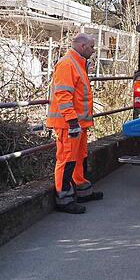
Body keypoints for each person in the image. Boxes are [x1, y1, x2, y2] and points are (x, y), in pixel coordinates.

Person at [46, 33, 104, 214]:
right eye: (91, 47)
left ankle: (82, 190)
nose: (93, 51)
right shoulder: (67, 64)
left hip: (78, 124)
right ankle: (63, 198)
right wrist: (72, 121)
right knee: (67, 160)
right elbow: (63, 96)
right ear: (81, 46)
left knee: (79, 157)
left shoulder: (77, 64)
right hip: (69, 124)